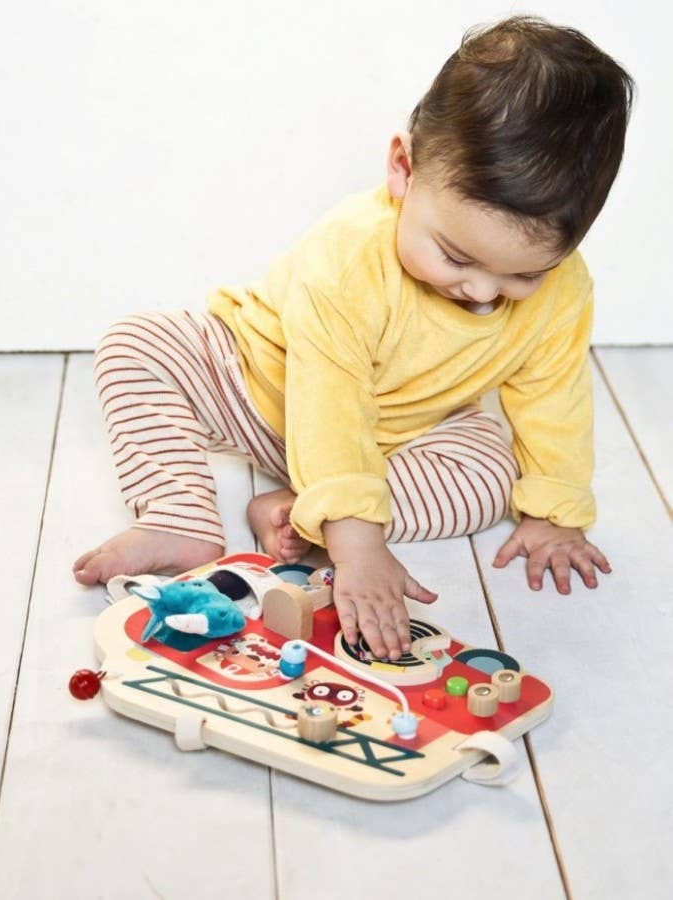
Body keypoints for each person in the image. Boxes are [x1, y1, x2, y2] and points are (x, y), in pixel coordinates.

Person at [74, 16, 634, 661]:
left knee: (488, 470)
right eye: (455, 257)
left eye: (523, 274)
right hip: (264, 389)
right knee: (137, 343)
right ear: (404, 168)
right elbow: (329, 394)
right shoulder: (347, 255)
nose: (482, 292)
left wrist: (554, 512)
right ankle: (180, 515)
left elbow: (553, 396)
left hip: (393, 438)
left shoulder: (566, 290)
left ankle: (301, 508)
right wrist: (361, 547)